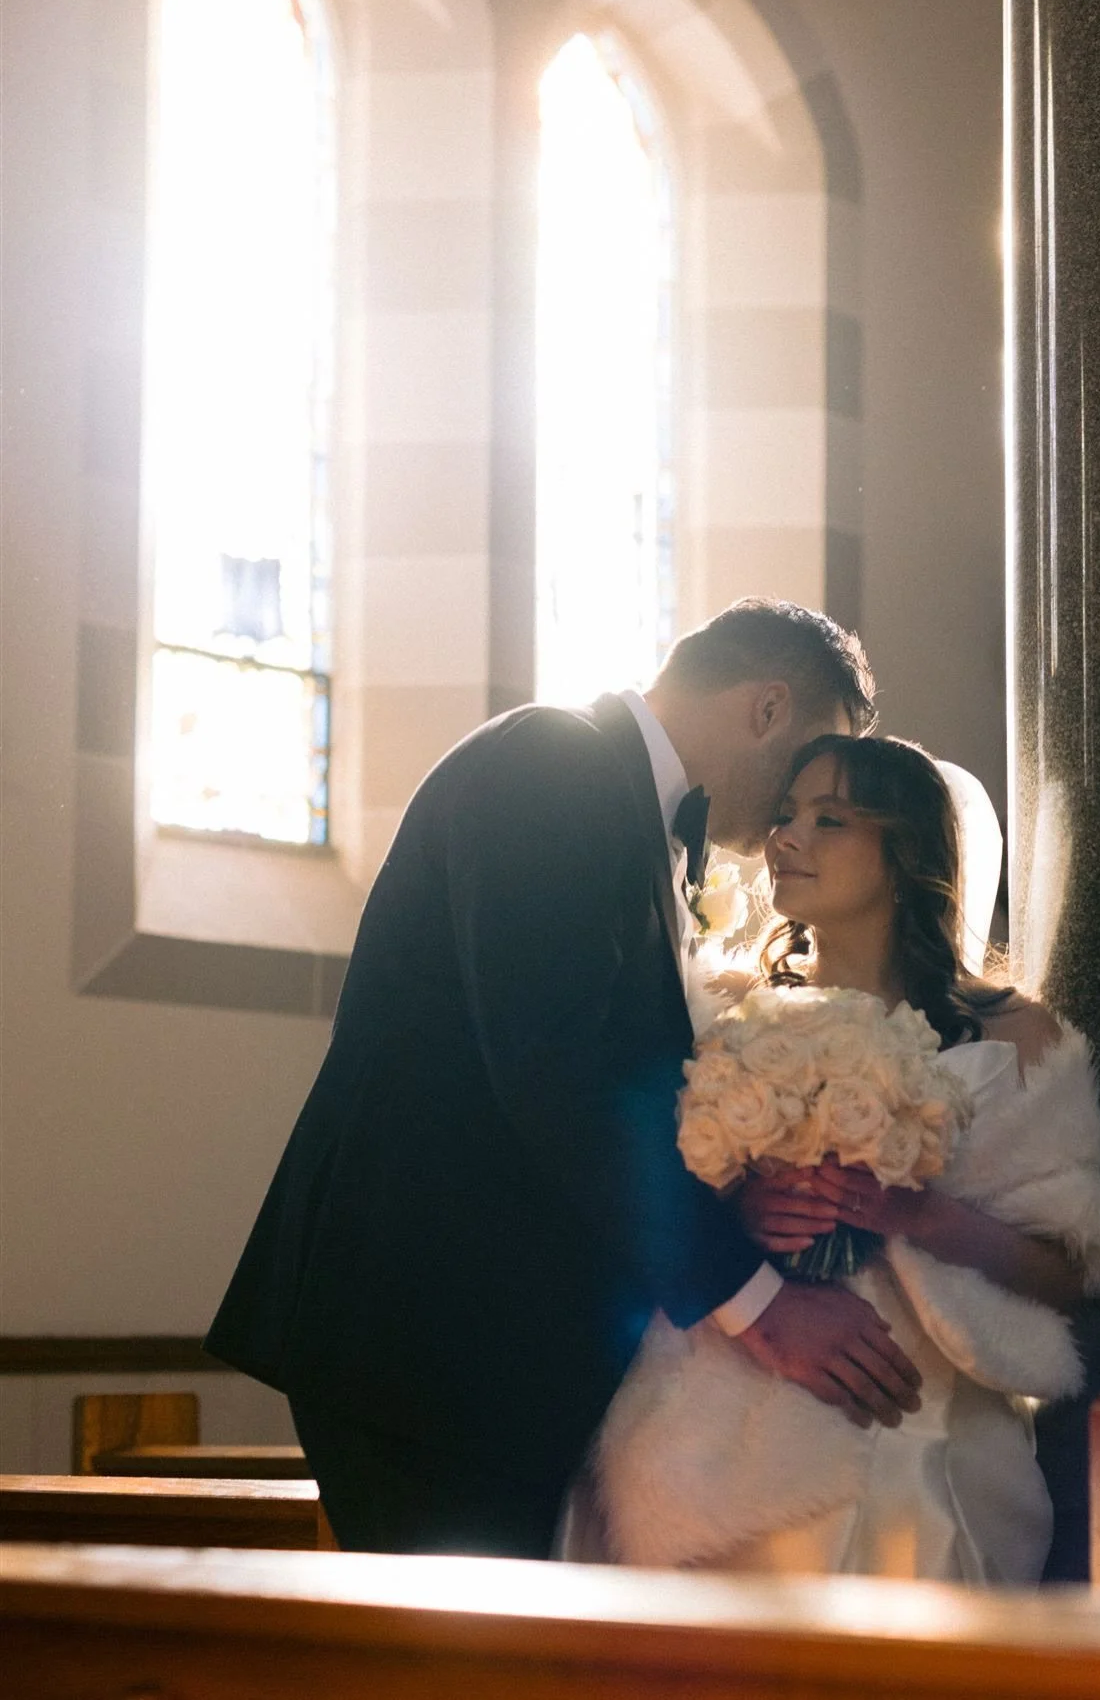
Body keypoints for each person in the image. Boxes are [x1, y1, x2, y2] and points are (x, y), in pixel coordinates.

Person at [204, 600, 924, 1556]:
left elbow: (613, 1081)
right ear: (768, 708)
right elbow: (558, 1067)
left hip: (484, 1347)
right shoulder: (552, 761)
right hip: (430, 1335)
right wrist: (761, 1304)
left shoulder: (616, 800)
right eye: (812, 752)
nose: (799, 798)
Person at [579, 734, 1100, 1580]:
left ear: (904, 853)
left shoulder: (1019, 1037)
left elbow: (1068, 1267)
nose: (786, 837)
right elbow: (648, 1212)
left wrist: (919, 1214)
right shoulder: (723, 1016)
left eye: (829, 818)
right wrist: (745, 1216)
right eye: (786, 814)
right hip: (739, 1441)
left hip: (928, 1413)